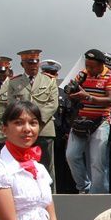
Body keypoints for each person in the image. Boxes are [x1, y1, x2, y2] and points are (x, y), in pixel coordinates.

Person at [65, 49, 111, 194]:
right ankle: (84, 188)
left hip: (100, 122)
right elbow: (70, 93)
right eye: (87, 65)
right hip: (80, 121)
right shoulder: (82, 74)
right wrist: (72, 93)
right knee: (71, 155)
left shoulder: (110, 76)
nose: (89, 69)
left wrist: (88, 97)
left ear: (102, 65)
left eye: (92, 66)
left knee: (97, 162)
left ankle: (97, 195)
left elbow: (110, 100)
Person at [7, 49, 59, 184]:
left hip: (44, 129)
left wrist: (35, 121)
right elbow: (12, 106)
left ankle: (51, 197)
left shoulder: (49, 81)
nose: (33, 66)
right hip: (23, 132)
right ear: (22, 64)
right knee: (22, 165)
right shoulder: (13, 83)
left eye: (36, 62)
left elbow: (53, 104)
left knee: (47, 166)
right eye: (29, 63)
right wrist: (26, 122)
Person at [41, 59, 77, 195]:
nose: (49, 76)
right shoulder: (36, 93)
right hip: (42, 134)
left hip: (60, 138)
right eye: (46, 73)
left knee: (60, 168)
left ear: (56, 75)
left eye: (52, 73)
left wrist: (68, 133)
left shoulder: (63, 94)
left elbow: (69, 115)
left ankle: (59, 194)